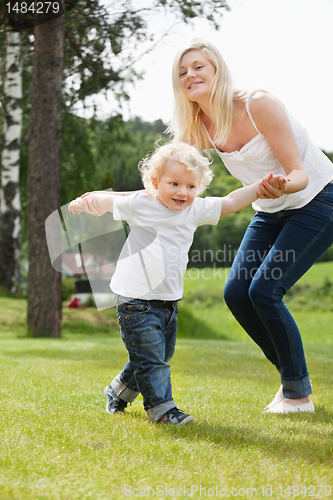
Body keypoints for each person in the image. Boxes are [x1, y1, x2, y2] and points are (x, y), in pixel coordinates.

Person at [68, 141, 286, 424]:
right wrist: (84, 203)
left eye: (191, 187)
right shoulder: (140, 204)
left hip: (168, 300)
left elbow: (231, 201)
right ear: (154, 182)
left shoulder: (194, 210)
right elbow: (106, 202)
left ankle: (117, 392)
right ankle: (162, 410)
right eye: (174, 184)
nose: (183, 192)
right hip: (135, 299)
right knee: (153, 361)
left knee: (156, 354)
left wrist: (260, 186)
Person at [169, 38, 333, 414]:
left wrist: (281, 185)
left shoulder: (258, 104)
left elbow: (299, 174)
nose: (190, 75)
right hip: (269, 209)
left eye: (198, 66)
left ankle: (297, 395)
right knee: (236, 293)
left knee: (264, 290)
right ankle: (293, 381)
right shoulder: (198, 125)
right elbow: (172, 171)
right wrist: (133, 203)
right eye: (182, 72)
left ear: (216, 70)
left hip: (318, 200)